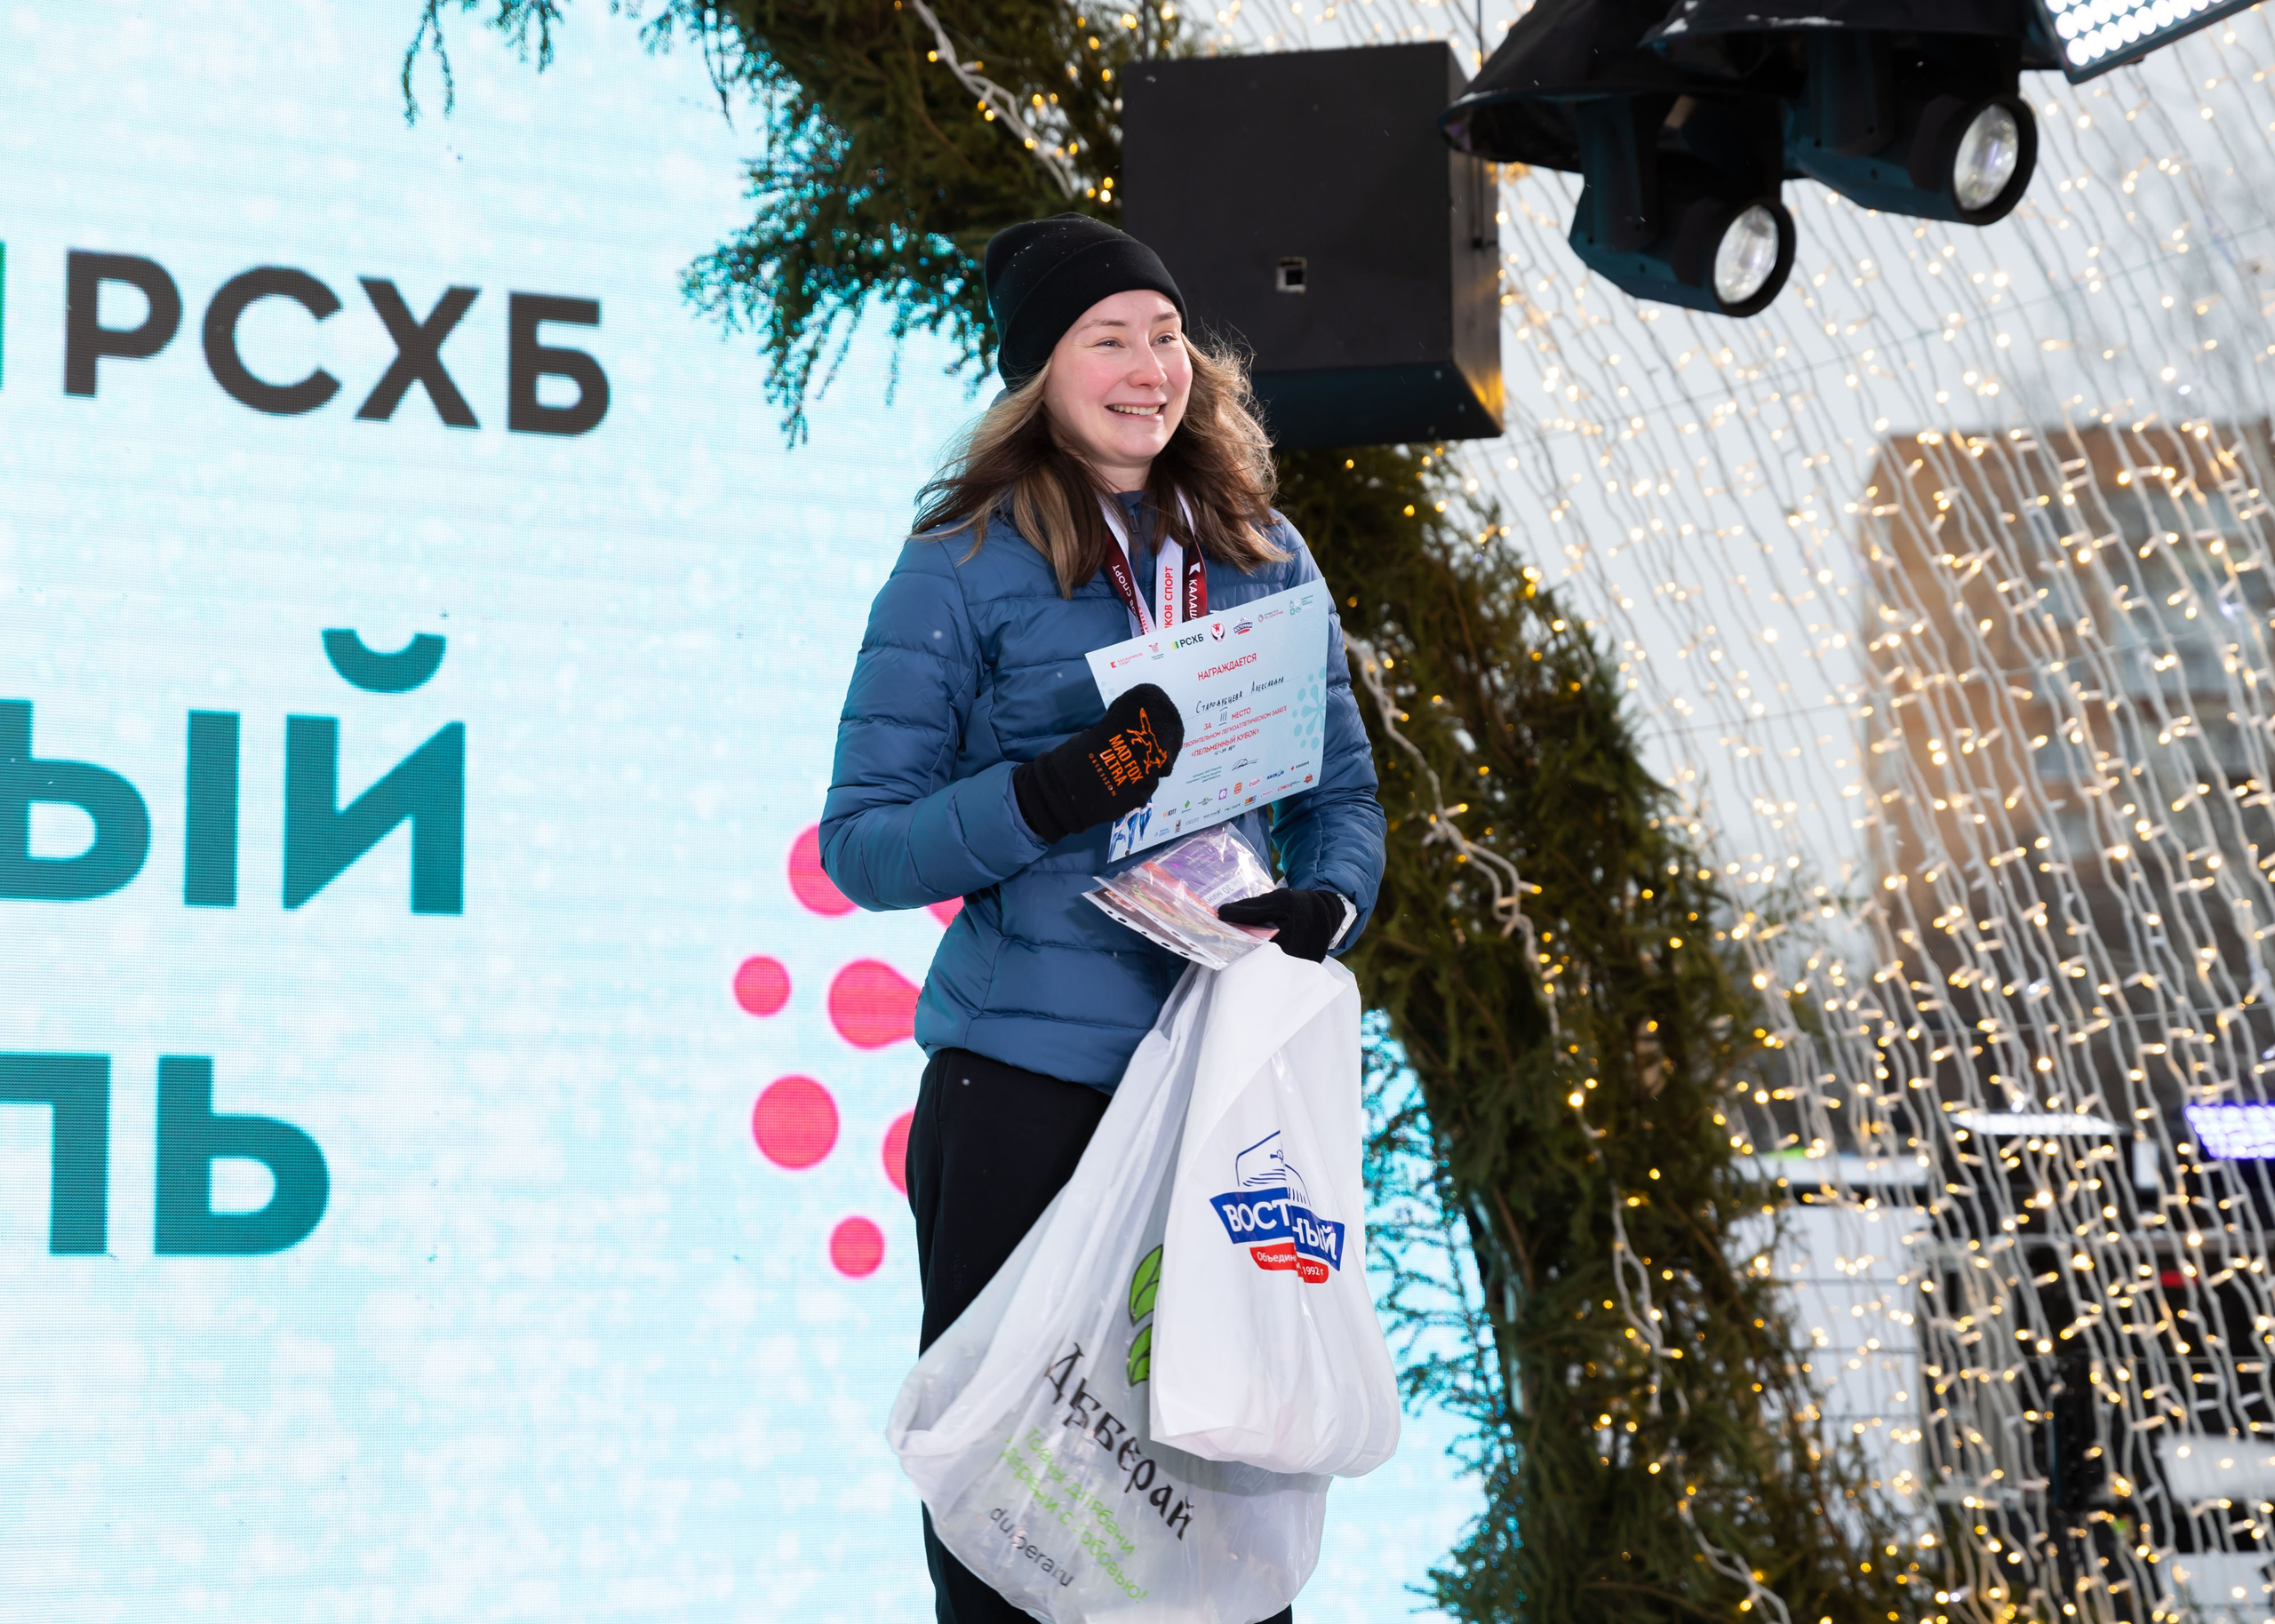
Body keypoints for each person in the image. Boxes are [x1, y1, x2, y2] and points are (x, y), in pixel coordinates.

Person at [819, 212, 1386, 1624]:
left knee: (1219, 1480)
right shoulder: (961, 564)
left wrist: (1328, 904)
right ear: (1038, 376)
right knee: (1021, 1504)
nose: (1150, 368)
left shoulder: (1262, 548)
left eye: (1166, 335)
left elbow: (1347, 799)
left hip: (1211, 1093)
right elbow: (861, 847)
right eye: (1106, 339)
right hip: (1022, 1091)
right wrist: (1057, 791)